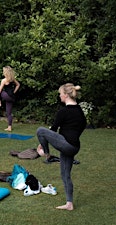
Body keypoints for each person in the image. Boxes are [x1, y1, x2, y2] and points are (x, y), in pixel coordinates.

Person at [35, 83, 86, 211]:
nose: (59, 96)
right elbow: (81, 127)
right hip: (74, 146)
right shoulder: (80, 111)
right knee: (65, 174)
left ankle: (46, 154)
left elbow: (52, 130)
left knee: (40, 130)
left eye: (60, 94)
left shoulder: (63, 111)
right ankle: (69, 203)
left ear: (65, 95)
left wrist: (42, 146)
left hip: (67, 144)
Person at [0, 66, 20, 131]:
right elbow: (18, 85)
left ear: (6, 72)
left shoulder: (4, 80)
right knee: (8, 112)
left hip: (7, 96)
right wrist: (14, 92)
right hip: (12, 97)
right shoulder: (12, 79)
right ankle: (9, 127)